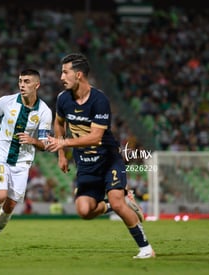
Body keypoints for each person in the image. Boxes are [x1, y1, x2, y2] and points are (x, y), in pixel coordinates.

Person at [45, 53, 154, 259]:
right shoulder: (63, 99)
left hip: (108, 160)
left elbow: (95, 137)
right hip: (85, 165)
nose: (61, 77)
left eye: (65, 72)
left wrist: (64, 143)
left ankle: (146, 248)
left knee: (118, 201)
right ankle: (112, 204)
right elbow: (59, 123)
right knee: (84, 211)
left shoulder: (99, 100)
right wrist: (61, 154)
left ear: (78, 75)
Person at [0, 69, 52, 251]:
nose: (22, 84)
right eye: (20, 81)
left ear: (37, 85)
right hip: (1, 156)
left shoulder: (44, 112)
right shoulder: (6, 101)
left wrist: (33, 140)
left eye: (27, 81)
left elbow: (45, 144)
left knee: (10, 205)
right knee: (0, 196)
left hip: (22, 163)